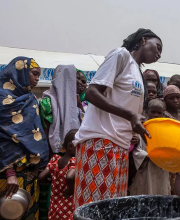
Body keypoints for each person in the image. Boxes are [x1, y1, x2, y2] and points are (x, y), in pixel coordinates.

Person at [74, 28, 162, 207]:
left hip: (121, 147)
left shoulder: (137, 71)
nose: (159, 54)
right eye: (158, 47)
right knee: (93, 208)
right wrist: (130, 116)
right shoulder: (120, 55)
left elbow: (127, 108)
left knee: (112, 208)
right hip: (100, 142)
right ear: (143, 40)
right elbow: (92, 93)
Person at [0, 57, 49, 219]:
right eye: (34, 74)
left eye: (39, 75)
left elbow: (36, 134)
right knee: (7, 212)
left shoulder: (30, 99)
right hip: (8, 174)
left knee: (29, 212)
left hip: (30, 173)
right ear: (20, 73)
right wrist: (10, 174)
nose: (37, 78)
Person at [39, 65, 83, 157]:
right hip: (53, 154)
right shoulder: (48, 103)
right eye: (75, 77)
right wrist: (50, 159)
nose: (78, 82)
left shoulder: (75, 102)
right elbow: (45, 133)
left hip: (73, 152)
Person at [130, 99, 171, 195]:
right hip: (146, 168)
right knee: (145, 192)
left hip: (161, 169)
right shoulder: (141, 128)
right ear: (147, 112)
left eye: (159, 112)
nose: (156, 115)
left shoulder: (167, 130)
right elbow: (136, 150)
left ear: (163, 114)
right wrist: (149, 156)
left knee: (162, 192)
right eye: (153, 112)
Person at [38, 129, 77, 220]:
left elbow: (41, 177)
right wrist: (71, 188)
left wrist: (53, 179)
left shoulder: (55, 159)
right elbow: (70, 177)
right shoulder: (73, 161)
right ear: (70, 146)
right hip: (68, 208)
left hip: (54, 207)